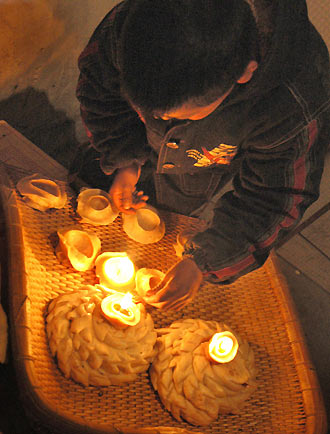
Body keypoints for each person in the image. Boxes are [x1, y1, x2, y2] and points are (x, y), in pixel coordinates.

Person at [76, 0, 330, 310]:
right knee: (90, 179)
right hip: (127, 141)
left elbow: (274, 198)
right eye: (151, 113)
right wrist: (124, 158)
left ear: (244, 73)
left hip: (199, 165)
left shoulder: (294, 103)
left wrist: (203, 263)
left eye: (188, 115)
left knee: (173, 209)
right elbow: (98, 86)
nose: (163, 125)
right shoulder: (137, 23)